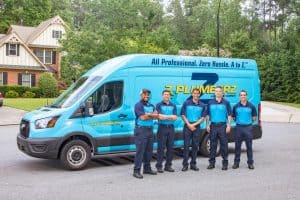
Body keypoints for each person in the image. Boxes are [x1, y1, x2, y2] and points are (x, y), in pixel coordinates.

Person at [133, 89, 158, 179]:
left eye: (148, 95)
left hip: (150, 130)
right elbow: (143, 118)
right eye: (145, 94)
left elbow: (156, 115)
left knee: (149, 151)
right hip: (141, 131)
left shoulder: (151, 105)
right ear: (141, 95)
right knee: (140, 151)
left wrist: (149, 115)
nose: (146, 96)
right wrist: (151, 115)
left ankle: (147, 168)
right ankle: (136, 171)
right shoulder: (138, 105)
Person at [206, 86, 232, 170]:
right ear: (214, 93)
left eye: (219, 91)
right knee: (213, 145)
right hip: (213, 126)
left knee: (224, 145)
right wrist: (207, 125)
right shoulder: (210, 102)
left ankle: (225, 163)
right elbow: (207, 115)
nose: (218, 92)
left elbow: (229, 115)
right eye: (216, 91)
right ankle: (211, 163)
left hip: (222, 126)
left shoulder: (226, 103)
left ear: (222, 93)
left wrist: (228, 125)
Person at [180, 88, 206, 171]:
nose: (196, 95)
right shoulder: (186, 103)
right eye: (194, 93)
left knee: (195, 146)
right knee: (186, 146)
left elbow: (202, 118)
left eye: (197, 93)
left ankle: (193, 164)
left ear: (199, 95)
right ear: (192, 94)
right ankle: (185, 165)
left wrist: (193, 125)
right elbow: (183, 115)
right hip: (187, 126)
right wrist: (189, 124)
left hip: (196, 127)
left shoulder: (202, 105)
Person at [232, 90, 257, 170]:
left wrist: (247, 122)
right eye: (241, 95)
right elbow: (234, 117)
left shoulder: (251, 106)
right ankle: (236, 163)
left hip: (248, 128)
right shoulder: (236, 106)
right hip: (239, 128)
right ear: (239, 96)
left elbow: (254, 117)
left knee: (249, 146)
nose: (243, 96)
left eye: (244, 95)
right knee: (237, 146)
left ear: (247, 96)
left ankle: (250, 163)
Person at [155, 90, 177, 173]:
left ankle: (168, 166)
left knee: (170, 148)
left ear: (170, 96)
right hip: (162, 128)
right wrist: (170, 116)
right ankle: (159, 166)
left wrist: (165, 117)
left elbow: (175, 118)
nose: (166, 96)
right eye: (165, 94)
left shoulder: (173, 105)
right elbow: (159, 117)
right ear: (162, 96)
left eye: (168, 94)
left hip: (171, 128)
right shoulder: (158, 105)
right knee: (161, 148)